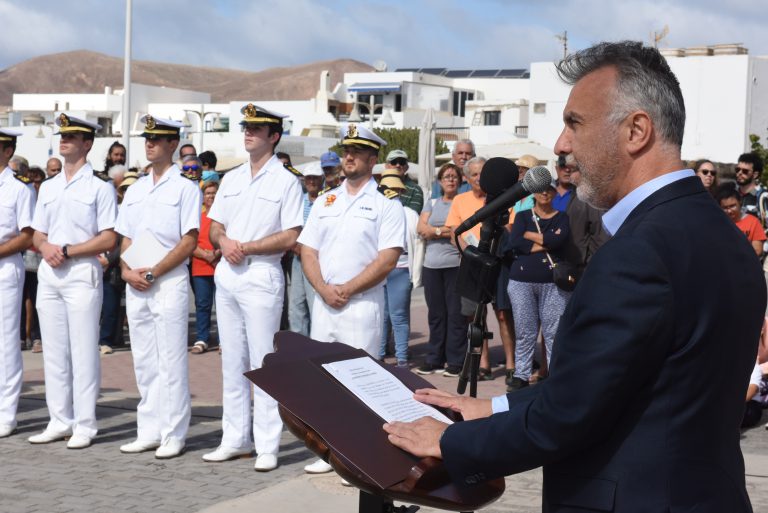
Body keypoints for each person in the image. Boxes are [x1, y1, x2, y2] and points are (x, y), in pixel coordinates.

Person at [384, 41, 765, 513]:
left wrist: (451, 442)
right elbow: (620, 386)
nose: (561, 145)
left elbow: (567, 418)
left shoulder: (639, 253)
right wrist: (498, 407)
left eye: (574, 123)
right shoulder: (721, 235)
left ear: (636, 130)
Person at [298, 123, 405, 475]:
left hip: (361, 305)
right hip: (325, 303)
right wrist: (323, 288)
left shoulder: (385, 204)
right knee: (322, 383)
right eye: (346, 150)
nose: (348, 156)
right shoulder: (326, 200)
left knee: (361, 384)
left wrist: (347, 288)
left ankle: (359, 458)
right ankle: (327, 451)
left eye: (357, 152)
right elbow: (307, 249)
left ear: (373, 159)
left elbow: (387, 258)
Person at [203, 104, 303, 471]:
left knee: (263, 362)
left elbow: (292, 234)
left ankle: (267, 444)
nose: (248, 133)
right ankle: (235, 438)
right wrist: (225, 241)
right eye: (246, 127)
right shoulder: (231, 178)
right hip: (229, 273)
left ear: (273, 136)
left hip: (261, 273)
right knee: (231, 360)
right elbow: (215, 224)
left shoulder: (286, 180)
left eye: (257, 129)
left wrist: (246, 247)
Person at [29, 114, 117, 449]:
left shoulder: (100, 187)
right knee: (53, 351)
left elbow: (109, 238)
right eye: (62, 135)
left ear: (87, 143)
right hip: (50, 273)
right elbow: (37, 232)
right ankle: (58, 419)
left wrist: (68, 249)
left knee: (83, 351)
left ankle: (85, 423)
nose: (63, 139)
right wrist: (46, 246)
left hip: (81, 272)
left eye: (71, 135)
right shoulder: (49, 187)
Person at [116, 115, 201, 459]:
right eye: (147, 137)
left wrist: (154, 272)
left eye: (157, 138)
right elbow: (126, 237)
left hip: (167, 280)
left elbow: (189, 239)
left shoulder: (185, 187)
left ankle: (174, 432)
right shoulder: (135, 189)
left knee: (170, 360)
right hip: (136, 280)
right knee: (144, 360)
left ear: (172, 144)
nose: (149, 142)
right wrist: (126, 272)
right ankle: (148, 429)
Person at [445, 156, 516, 381]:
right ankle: (483, 364)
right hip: (472, 263)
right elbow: (453, 232)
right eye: (473, 174)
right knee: (476, 317)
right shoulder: (460, 200)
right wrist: (470, 254)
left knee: (503, 314)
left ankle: (511, 364)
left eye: (481, 173)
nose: (477, 178)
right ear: (466, 177)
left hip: (499, 262)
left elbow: (510, 228)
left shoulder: (504, 198)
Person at [502, 179, 571, 391]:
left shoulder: (562, 217)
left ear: (553, 193)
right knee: (525, 330)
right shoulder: (523, 216)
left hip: (553, 282)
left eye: (549, 189)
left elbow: (560, 242)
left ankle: (554, 374)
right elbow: (515, 242)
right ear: (534, 194)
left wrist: (531, 236)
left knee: (554, 332)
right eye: (541, 190)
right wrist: (547, 240)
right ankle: (521, 374)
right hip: (522, 281)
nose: (545, 193)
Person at [415, 163, 468, 376]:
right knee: (436, 314)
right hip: (432, 266)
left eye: (454, 176)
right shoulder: (433, 202)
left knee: (455, 314)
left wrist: (435, 230)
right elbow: (421, 228)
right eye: (446, 176)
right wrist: (445, 230)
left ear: (459, 180)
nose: (450, 180)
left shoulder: (462, 202)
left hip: (454, 265)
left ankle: (455, 361)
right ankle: (434, 358)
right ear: (440, 181)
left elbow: (461, 229)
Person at [0, 129, 35, 438]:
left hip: (4, 267)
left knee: (6, 341)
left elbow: (27, 235)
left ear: (7, 151)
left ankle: (6, 413)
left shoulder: (19, 189)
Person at [377, 170, 418, 367]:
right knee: (381, 315)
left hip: (400, 268)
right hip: (378, 270)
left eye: (394, 189)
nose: (390, 192)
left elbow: (417, 245)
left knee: (398, 315)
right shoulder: (375, 211)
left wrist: (414, 273)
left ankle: (402, 359)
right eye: (387, 189)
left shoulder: (410, 214)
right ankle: (379, 354)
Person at [288, 162, 324, 337]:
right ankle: (299, 344)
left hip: (318, 259)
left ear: (321, 179)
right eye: (308, 178)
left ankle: (316, 344)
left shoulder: (327, 200)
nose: (311, 181)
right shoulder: (299, 199)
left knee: (314, 303)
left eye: (315, 178)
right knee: (296, 304)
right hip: (297, 258)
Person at [190, 181, 221, 354]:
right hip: (201, 266)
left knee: (223, 305)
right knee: (202, 304)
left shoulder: (224, 217)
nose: (211, 196)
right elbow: (189, 242)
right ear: (203, 197)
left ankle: (223, 339)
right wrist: (206, 255)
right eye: (208, 193)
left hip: (220, 264)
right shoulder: (197, 218)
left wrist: (216, 254)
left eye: (214, 193)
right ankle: (202, 338)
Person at [719, 187, 765, 257]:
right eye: (725, 208)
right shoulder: (718, 223)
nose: (729, 211)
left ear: (740, 202)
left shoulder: (753, 222)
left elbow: (758, 250)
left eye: (732, 206)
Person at [384, 149, 423, 214]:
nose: (398, 165)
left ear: (407, 167)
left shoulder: (415, 190)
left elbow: (412, 217)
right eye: (394, 162)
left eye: (402, 162)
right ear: (386, 166)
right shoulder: (379, 187)